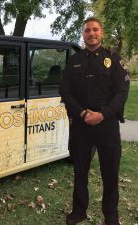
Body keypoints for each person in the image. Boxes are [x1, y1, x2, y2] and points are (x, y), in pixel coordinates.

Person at [60, 17, 130, 225]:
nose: (91, 33)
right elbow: (66, 92)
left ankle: (111, 216)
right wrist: (82, 114)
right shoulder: (74, 61)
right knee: (80, 172)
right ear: (83, 34)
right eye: (87, 30)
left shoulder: (114, 60)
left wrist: (103, 114)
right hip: (82, 126)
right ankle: (78, 211)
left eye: (95, 30)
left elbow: (121, 92)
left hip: (107, 125)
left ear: (102, 32)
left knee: (110, 173)